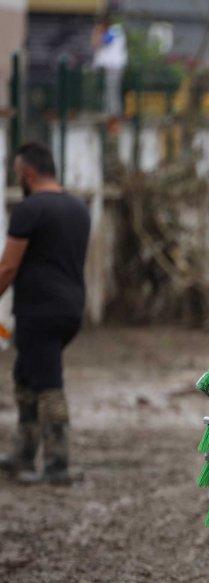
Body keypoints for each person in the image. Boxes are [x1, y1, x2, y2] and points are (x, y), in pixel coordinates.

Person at [0, 143, 90, 484]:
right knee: (26, 376)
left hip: (39, 309)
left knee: (48, 384)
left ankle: (57, 464)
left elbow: (7, 267)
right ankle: (22, 454)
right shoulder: (78, 207)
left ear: (27, 173)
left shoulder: (30, 208)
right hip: (71, 308)